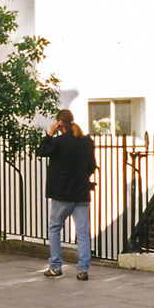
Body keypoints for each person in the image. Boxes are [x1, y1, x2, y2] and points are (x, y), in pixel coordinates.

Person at [36, 109, 97, 280]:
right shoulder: (87, 141)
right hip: (81, 193)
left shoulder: (59, 142)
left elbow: (40, 151)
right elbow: (92, 166)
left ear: (60, 124)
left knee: (55, 229)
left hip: (62, 195)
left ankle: (56, 266)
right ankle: (83, 269)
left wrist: (50, 133)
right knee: (83, 233)